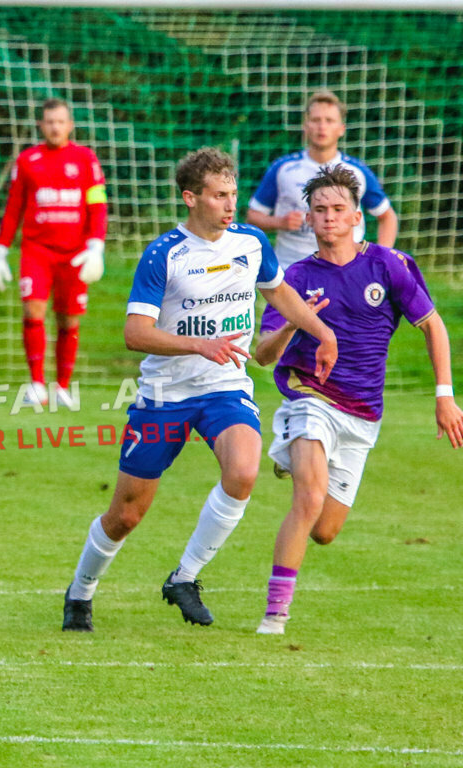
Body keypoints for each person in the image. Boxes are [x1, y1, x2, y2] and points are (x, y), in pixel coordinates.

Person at [61, 147, 338, 632]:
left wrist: (322, 332)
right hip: (164, 394)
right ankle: (81, 591)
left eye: (233, 194)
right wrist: (199, 344)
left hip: (224, 387)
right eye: (218, 196)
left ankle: (184, 577)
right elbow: (135, 333)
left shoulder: (251, 241)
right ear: (191, 198)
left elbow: (279, 292)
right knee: (126, 514)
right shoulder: (164, 254)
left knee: (244, 471)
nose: (230, 205)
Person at [253, 165, 463, 635]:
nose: (329, 216)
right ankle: (275, 614)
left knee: (324, 531)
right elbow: (262, 356)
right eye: (320, 209)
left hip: (363, 413)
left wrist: (444, 396)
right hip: (310, 397)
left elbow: (432, 325)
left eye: (338, 208)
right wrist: (294, 323)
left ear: (355, 217)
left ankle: (294, 457)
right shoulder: (294, 277)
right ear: (308, 219)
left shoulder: (388, 265)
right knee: (308, 497)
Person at [0, 98, 108, 407]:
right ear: (41, 125)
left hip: (75, 254)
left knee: (69, 321)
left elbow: (98, 206)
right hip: (37, 251)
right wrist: (0, 251)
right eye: (50, 122)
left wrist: (96, 245)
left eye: (60, 121)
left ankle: (63, 387)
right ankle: (37, 385)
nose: (55, 127)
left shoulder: (85, 159)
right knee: (33, 311)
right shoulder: (28, 160)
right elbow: (14, 207)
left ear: (70, 125)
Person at [247, 90, 398, 271]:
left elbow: (387, 216)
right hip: (291, 269)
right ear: (305, 126)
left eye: (329, 120)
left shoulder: (357, 172)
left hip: (346, 271)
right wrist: (280, 222)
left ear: (341, 129)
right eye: (316, 120)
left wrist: (382, 260)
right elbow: (253, 216)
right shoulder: (283, 169)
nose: (322, 126)